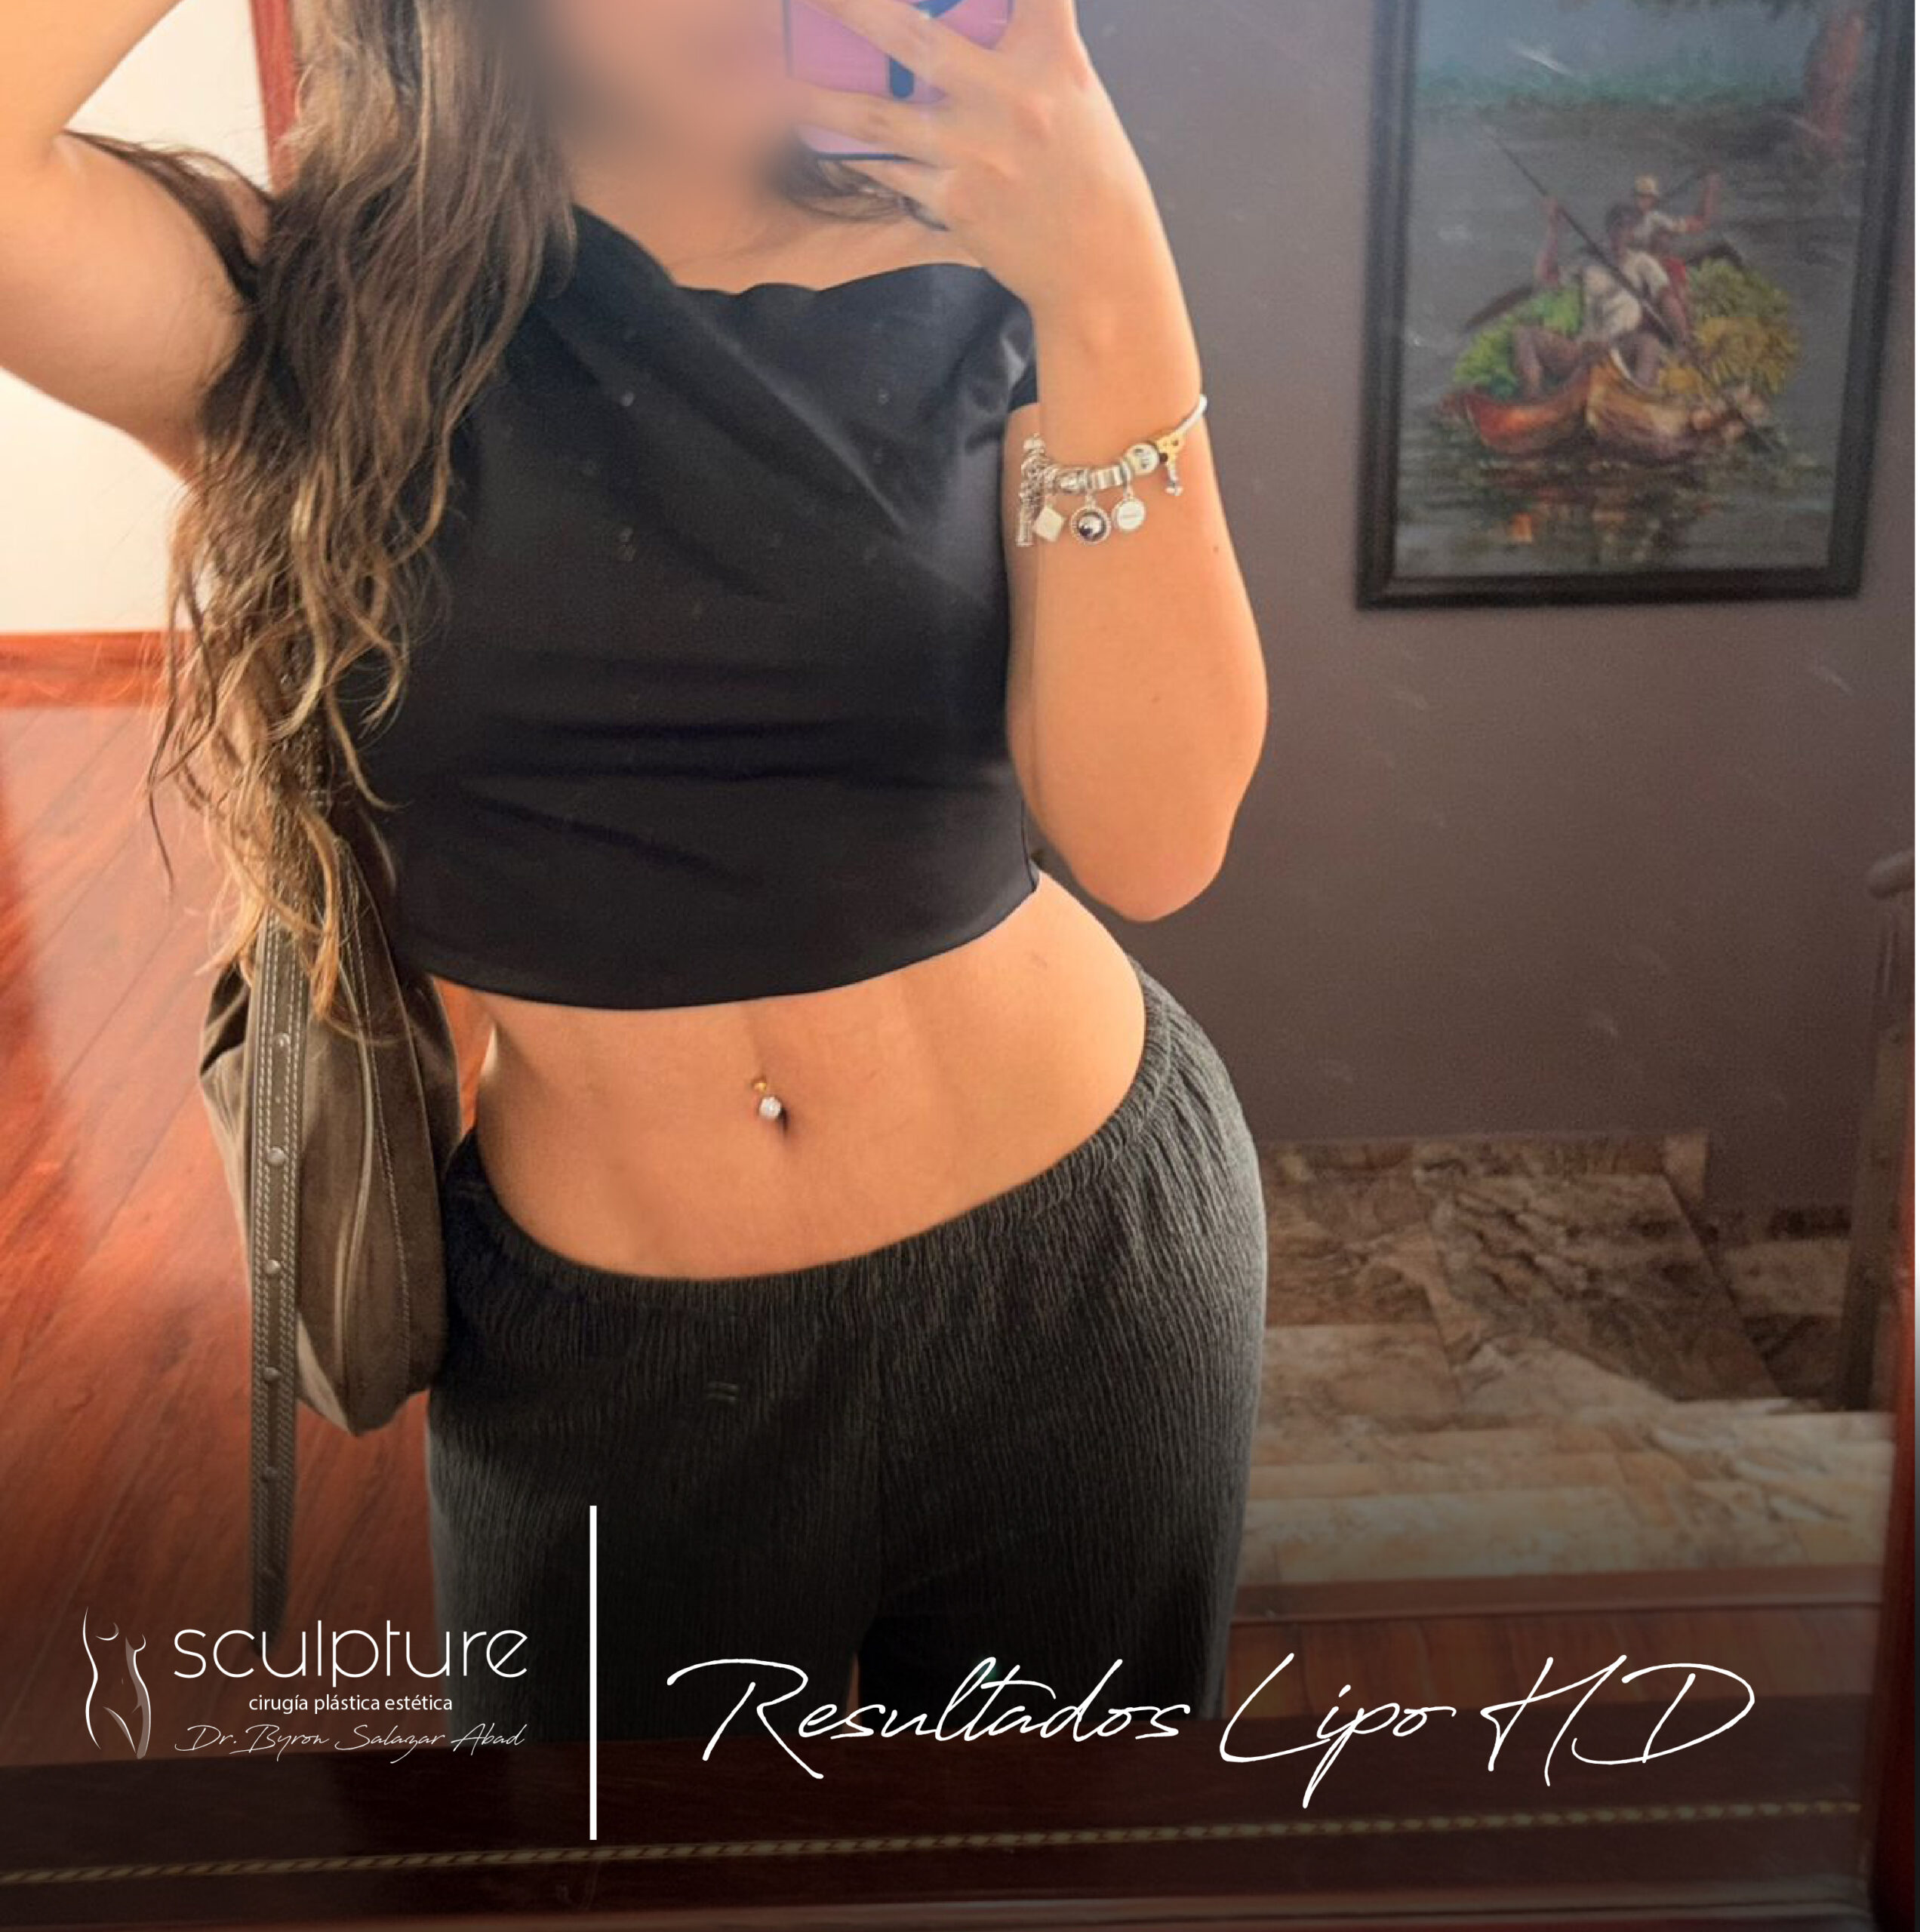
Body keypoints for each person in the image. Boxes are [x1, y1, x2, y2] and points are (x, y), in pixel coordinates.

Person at [0, 0, 1269, 1743]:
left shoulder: (1000, 239)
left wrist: (1112, 276)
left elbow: (1154, 840)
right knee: (594, 1865)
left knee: (1060, 1863)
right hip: (606, 1364)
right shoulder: (300, 312)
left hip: (1079, 1285)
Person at [1514, 199, 1693, 398]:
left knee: (1649, 344)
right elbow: (1544, 278)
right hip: (1585, 349)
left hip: (1621, 347)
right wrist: (1554, 229)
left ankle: (1638, 399)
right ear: (1609, 229)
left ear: (1632, 232)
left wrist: (1683, 341)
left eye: (1626, 226)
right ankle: (1533, 400)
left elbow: (1666, 298)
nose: (1621, 232)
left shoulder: (1643, 262)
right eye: (1617, 225)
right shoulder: (1588, 261)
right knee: (1525, 335)